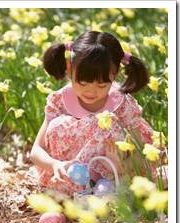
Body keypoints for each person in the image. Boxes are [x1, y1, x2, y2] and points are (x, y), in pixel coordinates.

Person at [30, 31, 156, 196]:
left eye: (102, 85)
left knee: (109, 124)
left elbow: (143, 155)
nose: (91, 91)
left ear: (115, 74)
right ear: (70, 69)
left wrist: (124, 164)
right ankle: (79, 192)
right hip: (69, 177)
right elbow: (36, 151)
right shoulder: (60, 101)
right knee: (56, 125)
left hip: (113, 178)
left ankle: (104, 194)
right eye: (82, 83)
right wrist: (55, 165)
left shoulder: (122, 105)